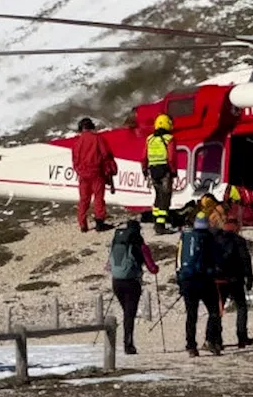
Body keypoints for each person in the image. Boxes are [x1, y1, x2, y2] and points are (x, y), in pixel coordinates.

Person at [107, 220, 160, 355]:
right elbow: (152, 268)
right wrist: (155, 268)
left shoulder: (117, 244)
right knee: (129, 314)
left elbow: (108, 265)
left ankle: (126, 342)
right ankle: (128, 345)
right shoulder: (140, 246)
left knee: (126, 312)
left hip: (117, 282)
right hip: (132, 282)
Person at [177, 215, 222, 357]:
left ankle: (191, 346)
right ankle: (210, 340)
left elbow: (178, 259)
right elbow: (215, 258)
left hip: (187, 280)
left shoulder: (185, 236)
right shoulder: (208, 237)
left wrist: (180, 281)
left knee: (191, 315)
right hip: (204, 280)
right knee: (214, 311)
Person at [215, 216, 253, 349]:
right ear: (236, 227)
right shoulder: (239, 241)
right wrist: (249, 279)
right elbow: (246, 261)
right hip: (235, 279)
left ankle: (217, 340)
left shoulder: (215, 240)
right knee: (241, 307)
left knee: (217, 310)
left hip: (218, 279)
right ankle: (242, 337)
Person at [72, 117, 117, 233]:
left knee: (84, 200)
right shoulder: (97, 139)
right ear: (91, 127)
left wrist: (79, 170)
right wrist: (110, 170)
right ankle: (99, 223)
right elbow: (106, 155)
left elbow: (75, 160)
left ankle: (83, 224)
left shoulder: (77, 142)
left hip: (83, 174)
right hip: (96, 173)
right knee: (98, 198)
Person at [142, 114, 178, 235]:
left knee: (158, 196)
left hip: (152, 170)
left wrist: (144, 169)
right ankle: (160, 225)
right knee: (165, 197)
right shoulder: (169, 139)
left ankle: (155, 221)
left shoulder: (149, 139)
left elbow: (144, 156)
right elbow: (172, 158)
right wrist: (173, 171)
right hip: (165, 171)